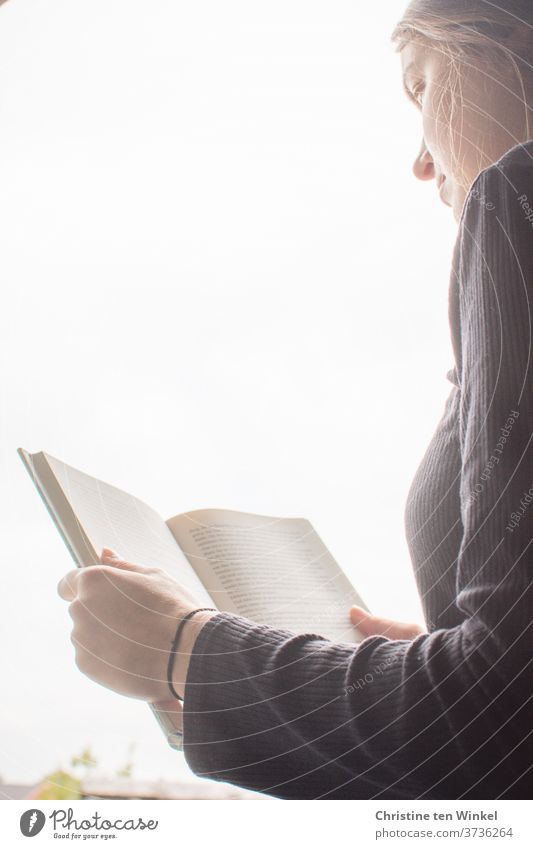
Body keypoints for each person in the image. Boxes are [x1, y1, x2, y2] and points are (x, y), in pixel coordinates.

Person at [57, 0, 533, 799]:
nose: (420, 162)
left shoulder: (515, 200)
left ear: (509, 42)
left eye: (420, 89)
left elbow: (494, 723)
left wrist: (188, 651)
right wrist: (432, 653)